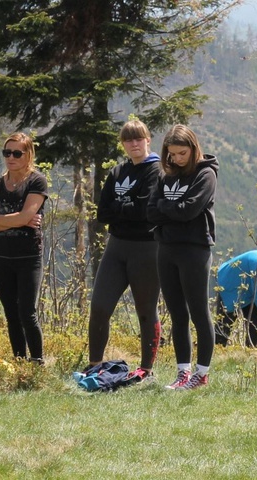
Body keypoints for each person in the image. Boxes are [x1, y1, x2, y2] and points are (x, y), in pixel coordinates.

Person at [87, 119, 161, 382]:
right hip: (117, 247)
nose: (134, 144)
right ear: (123, 144)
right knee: (99, 306)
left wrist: (120, 210)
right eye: (129, 140)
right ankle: (94, 364)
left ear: (148, 140)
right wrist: (126, 209)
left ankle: (146, 369)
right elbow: (101, 213)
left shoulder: (156, 170)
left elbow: (145, 212)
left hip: (147, 249)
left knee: (146, 310)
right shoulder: (118, 172)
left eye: (139, 139)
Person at [146, 124, 218, 390]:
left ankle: (202, 374)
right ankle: (183, 373)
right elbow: (151, 211)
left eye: (181, 153)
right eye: (172, 153)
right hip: (166, 248)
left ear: (193, 149)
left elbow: (190, 210)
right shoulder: (166, 177)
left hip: (195, 249)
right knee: (177, 313)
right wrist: (171, 208)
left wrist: (168, 208)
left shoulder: (206, 174)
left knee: (199, 312)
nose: (176, 158)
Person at [0, 132, 48, 363]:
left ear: (28, 154)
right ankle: (19, 363)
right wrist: (18, 218)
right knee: (11, 314)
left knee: (27, 313)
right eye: (7, 152)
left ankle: (37, 364)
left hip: (29, 255)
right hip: (2, 256)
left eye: (17, 153)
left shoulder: (36, 181)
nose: (11, 157)